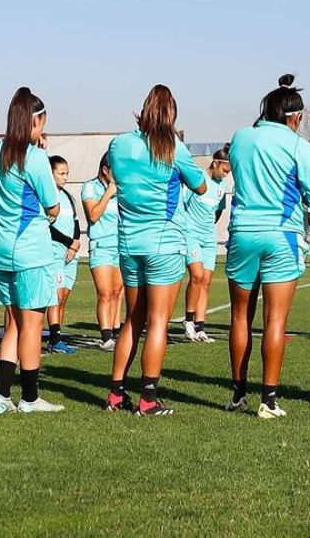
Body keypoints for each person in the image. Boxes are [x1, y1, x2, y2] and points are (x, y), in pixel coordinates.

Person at [225, 75, 310, 419]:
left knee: (240, 316)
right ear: (295, 118)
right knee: (276, 319)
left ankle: (238, 393)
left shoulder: (241, 137)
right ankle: (268, 400)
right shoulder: (297, 144)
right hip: (280, 236)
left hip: (242, 232)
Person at [105, 85, 207, 416]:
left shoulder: (119, 145)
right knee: (159, 321)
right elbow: (201, 185)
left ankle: (116, 394)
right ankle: (148, 397)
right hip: (164, 243)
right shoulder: (172, 147)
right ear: (171, 114)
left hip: (129, 242)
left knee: (132, 320)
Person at [0, 87, 65, 414]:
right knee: (31, 325)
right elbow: (53, 206)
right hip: (29, 249)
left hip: (0, 248)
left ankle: (2, 396)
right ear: (37, 121)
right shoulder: (34, 158)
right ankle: (30, 398)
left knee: (14, 324)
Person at [182, 144, 231, 343]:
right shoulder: (197, 180)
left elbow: (219, 210)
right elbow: (182, 204)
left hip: (208, 238)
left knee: (206, 281)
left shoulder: (223, 187)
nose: (225, 175)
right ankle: (188, 320)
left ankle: (200, 327)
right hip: (190, 235)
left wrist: (208, 225)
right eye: (224, 170)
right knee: (196, 276)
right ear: (216, 162)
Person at [81, 152, 121, 352]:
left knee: (116, 292)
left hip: (120, 246)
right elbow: (94, 215)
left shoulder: (120, 188)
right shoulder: (90, 187)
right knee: (104, 293)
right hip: (101, 247)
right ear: (105, 169)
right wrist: (108, 193)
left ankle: (115, 331)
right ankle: (105, 337)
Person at [46, 155, 81, 355]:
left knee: (64, 296)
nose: (65, 177)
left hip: (71, 254)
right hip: (55, 252)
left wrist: (75, 244)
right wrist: (69, 243)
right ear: (51, 174)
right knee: (56, 295)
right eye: (61, 173)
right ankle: (54, 338)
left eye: (67, 173)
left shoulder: (68, 196)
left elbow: (75, 222)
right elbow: (47, 226)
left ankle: (56, 333)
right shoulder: (49, 197)